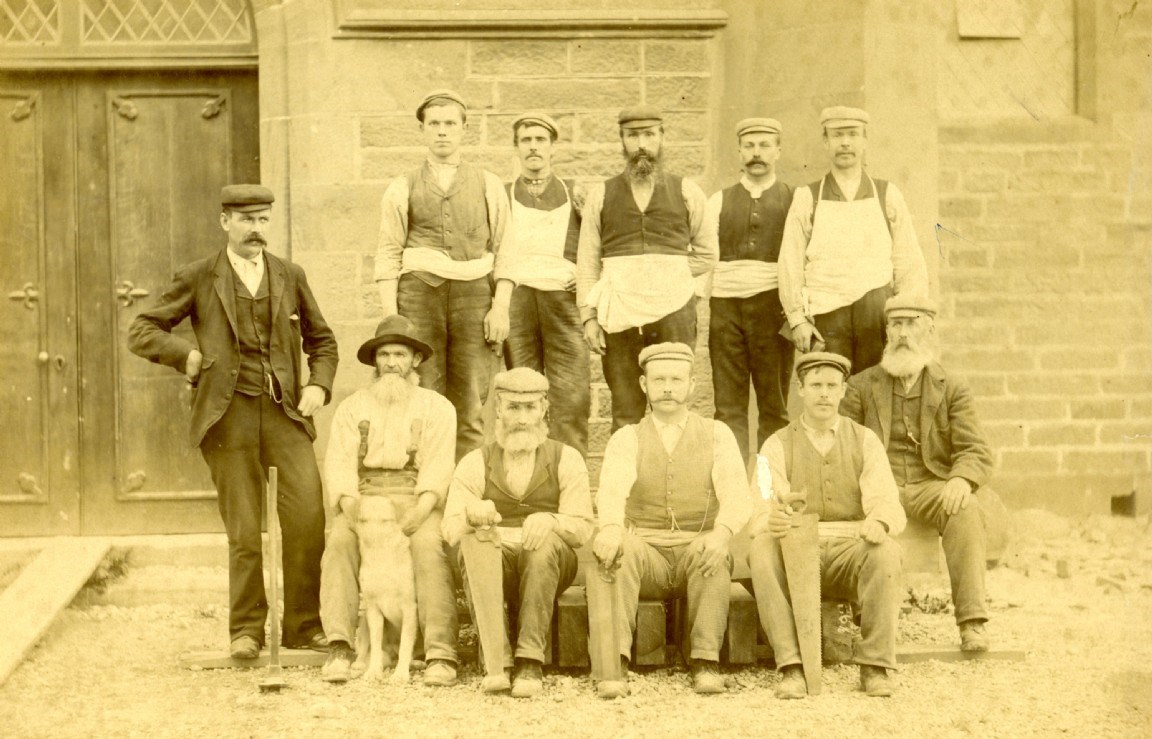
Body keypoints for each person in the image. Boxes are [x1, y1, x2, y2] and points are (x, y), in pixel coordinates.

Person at [128, 184, 337, 659]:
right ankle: (245, 631)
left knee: (307, 518)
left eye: (263, 220)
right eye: (246, 220)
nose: (255, 229)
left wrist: (318, 386)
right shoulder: (200, 276)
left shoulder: (290, 274)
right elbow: (142, 329)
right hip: (228, 418)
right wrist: (188, 357)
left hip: (286, 414)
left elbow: (322, 341)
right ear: (225, 223)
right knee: (244, 529)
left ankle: (304, 626)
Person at [590, 342, 751, 695]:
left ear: (691, 385)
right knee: (620, 550)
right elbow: (613, 490)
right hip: (647, 553)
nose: (667, 388)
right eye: (658, 379)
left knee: (714, 552)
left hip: (697, 548)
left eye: (676, 380)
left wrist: (721, 534)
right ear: (644, 385)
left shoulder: (717, 434)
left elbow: (737, 494)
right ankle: (613, 663)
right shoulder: (626, 437)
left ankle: (706, 661)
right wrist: (612, 530)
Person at [840, 294, 994, 652]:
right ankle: (868, 623)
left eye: (911, 324)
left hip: (929, 486)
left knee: (966, 507)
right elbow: (843, 448)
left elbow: (975, 449)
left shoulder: (952, 386)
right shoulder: (861, 386)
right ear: (887, 331)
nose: (903, 333)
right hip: (879, 489)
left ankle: (972, 622)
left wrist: (960, 479)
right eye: (896, 324)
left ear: (929, 328)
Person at [747, 352, 905, 698]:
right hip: (797, 550)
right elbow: (760, 504)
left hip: (850, 548)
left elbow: (887, 500)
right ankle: (790, 665)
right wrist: (770, 518)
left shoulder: (865, 439)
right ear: (800, 390)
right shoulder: (775, 443)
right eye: (815, 385)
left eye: (832, 386)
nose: (823, 394)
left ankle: (875, 665)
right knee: (761, 549)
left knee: (886, 552)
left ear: (843, 391)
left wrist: (879, 521)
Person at [317, 315, 460, 687]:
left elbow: (440, 464)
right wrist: (351, 509)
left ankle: (439, 654)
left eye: (400, 354)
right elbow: (339, 463)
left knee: (429, 545)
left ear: (415, 360)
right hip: (364, 500)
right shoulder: (352, 407)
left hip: (416, 498)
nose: (392, 363)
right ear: (375, 361)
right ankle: (339, 646)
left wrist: (422, 509)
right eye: (384, 354)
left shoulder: (437, 407)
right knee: (339, 542)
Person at [375, 89, 511, 460]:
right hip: (419, 295)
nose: (442, 132)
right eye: (433, 124)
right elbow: (389, 251)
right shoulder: (402, 185)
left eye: (450, 123)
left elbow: (506, 251)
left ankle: (465, 491)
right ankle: (423, 484)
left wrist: (500, 307)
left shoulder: (488, 183)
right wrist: (393, 318)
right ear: (422, 130)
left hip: (474, 297)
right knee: (422, 393)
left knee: (470, 399)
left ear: (464, 129)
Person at [443, 367, 594, 697]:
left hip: (550, 564)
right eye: (513, 407)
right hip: (496, 559)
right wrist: (471, 515)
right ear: (498, 409)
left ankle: (529, 661)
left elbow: (582, 527)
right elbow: (451, 529)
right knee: (475, 541)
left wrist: (552, 521)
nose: (522, 418)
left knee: (542, 546)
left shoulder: (565, 458)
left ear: (544, 409)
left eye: (530, 408)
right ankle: (497, 663)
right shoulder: (475, 461)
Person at [576, 105, 718, 430]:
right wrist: (588, 317)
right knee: (625, 408)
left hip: (673, 312)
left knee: (672, 403)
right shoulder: (602, 194)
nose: (641, 143)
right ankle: (624, 481)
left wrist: (670, 277)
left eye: (649, 134)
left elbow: (707, 254)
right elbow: (586, 263)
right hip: (619, 314)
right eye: (633, 135)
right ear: (622, 140)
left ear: (662, 138)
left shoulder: (687, 191)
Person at [777, 106, 928, 374]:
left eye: (852, 134)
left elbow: (908, 260)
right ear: (826, 141)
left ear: (864, 140)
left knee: (878, 389)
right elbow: (790, 262)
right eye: (837, 135)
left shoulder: (887, 194)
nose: (845, 142)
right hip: (827, 312)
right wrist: (797, 319)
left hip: (876, 311)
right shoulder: (807, 197)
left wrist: (908, 318)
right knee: (832, 390)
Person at [489, 112, 590, 456]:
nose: (533, 147)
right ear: (516, 148)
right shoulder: (501, 194)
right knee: (521, 391)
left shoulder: (576, 192)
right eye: (526, 140)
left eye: (540, 140)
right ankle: (524, 472)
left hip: (563, 301)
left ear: (553, 148)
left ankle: (569, 474)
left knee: (571, 393)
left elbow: (599, 242)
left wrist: (587, 276)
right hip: (517, 300)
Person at [703, 117, 795, 462]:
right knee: (728, 407)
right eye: (750, 146)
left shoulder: (794, 199)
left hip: (774, 306)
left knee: (774, 404)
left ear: (778, 151)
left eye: (765, 145)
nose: (757, 153)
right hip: (726, 310)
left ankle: (769, 492)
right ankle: (733, 490)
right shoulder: (718, 201)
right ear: (739, 151)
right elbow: (705, 260)